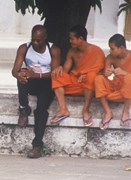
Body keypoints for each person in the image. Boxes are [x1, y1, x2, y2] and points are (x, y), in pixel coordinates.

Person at [11, 24, 61, 158]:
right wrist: (18, 74)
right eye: (33, 39)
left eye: (38, 40)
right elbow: (14, 70)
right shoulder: (24, 48)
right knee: (21, 76)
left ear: (45, 38)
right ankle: (23, 109)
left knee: (41, 111)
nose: (35, 42)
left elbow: (55, 74)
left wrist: (37, 75)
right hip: (31, 79)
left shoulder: (53, 49)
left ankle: (37, 146)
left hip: (46, 82)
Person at [50, 25, 105, 126]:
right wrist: (60, 68)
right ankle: (63, 110)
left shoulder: (96, 51)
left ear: (80, 39)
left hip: (89, 86)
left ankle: (85, 111)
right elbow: (65, 70)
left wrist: (87, 74)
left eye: (72, 39)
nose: (70, 41)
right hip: (75, 83)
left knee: (92, 76)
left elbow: (102, 74)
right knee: (56, 75)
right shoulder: (72, 51)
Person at [95, 33, 131, 130]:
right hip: (116, 88)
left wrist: (124, 73)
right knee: (98, 79)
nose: (110, 51)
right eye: (110, 48)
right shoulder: (110, 57)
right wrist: (106, 73)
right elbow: (104, 74)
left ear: (121, 48)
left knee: (128, 77)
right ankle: (108, 112)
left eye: (112, 48)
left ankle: (126, 112)